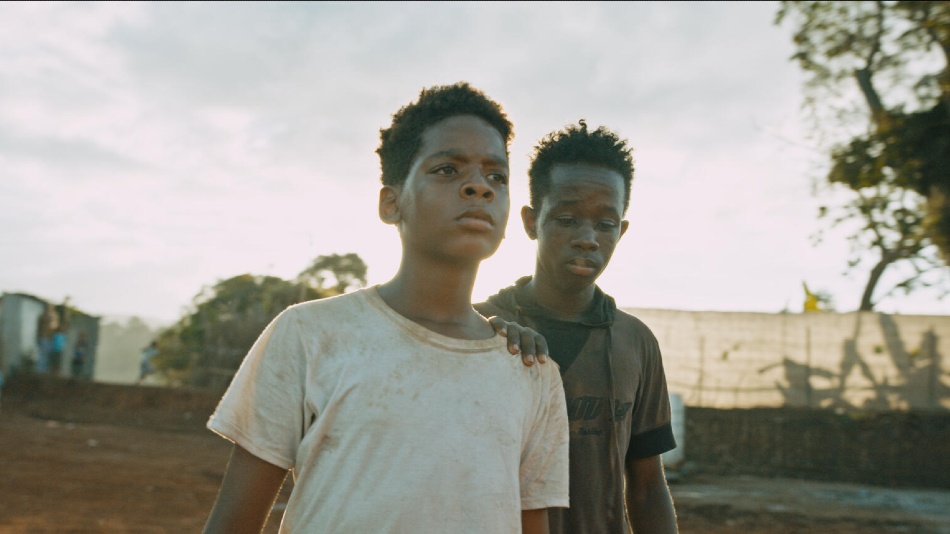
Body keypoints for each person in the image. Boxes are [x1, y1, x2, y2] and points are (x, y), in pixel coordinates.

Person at [203, 82, 569, 534]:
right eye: (448, 169)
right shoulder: (310, 334)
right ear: (391, 203)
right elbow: (233, 522)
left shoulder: (532, 371)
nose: (479, 187)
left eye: (497, 177)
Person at [476, 121, 679, 533]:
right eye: (567, 218)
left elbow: (646, 485)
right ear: (532, 222)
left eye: (605, 224)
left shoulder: (634, 341)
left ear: (621, 231)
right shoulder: (477, 329)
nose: (588, 238)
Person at [35, 303, 59, 373]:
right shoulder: (42, 316)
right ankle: (40, 372)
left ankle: (44, 371)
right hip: (44, 338)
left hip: (50, 339)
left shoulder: (54, 315)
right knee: (42, 357)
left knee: (47, 357)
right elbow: (39, 328)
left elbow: (55, 326)